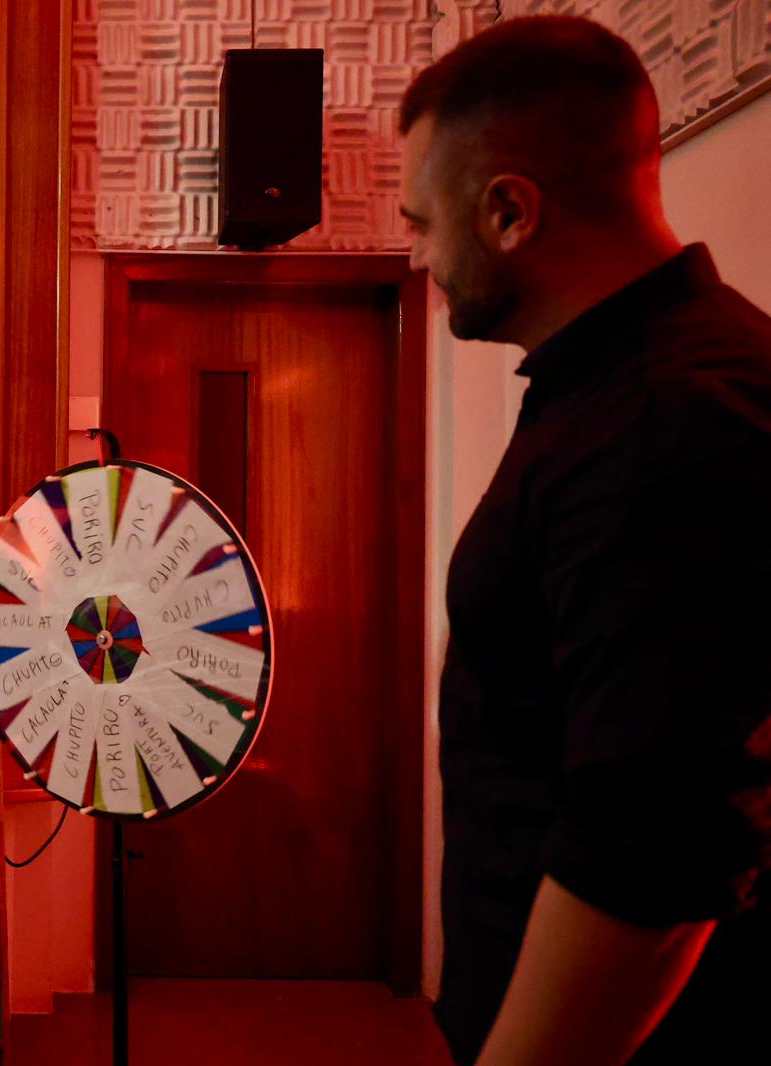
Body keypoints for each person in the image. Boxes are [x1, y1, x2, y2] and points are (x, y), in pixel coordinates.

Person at [400, 15, 771, 1066]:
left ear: (509, 211)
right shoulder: (609, 387)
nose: (420, 257)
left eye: (422, 223)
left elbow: (652, 847)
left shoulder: (670, 421)